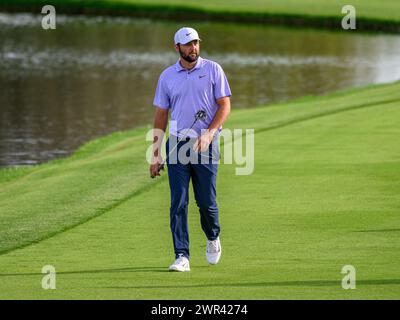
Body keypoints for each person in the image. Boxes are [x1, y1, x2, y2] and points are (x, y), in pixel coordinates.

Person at [150, 27, 231, 272]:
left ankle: (212, 237)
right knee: (179, 202)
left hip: (205, 143)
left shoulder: (213, 70)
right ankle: (182, 256)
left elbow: (224, 105)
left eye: (195, 43)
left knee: (206, 202)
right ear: (177, 47)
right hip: (176, 143)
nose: (193, 48)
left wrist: (209, 133)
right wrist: (155, 153)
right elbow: (161, 114)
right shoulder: (167, 76)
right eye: (187, 44)